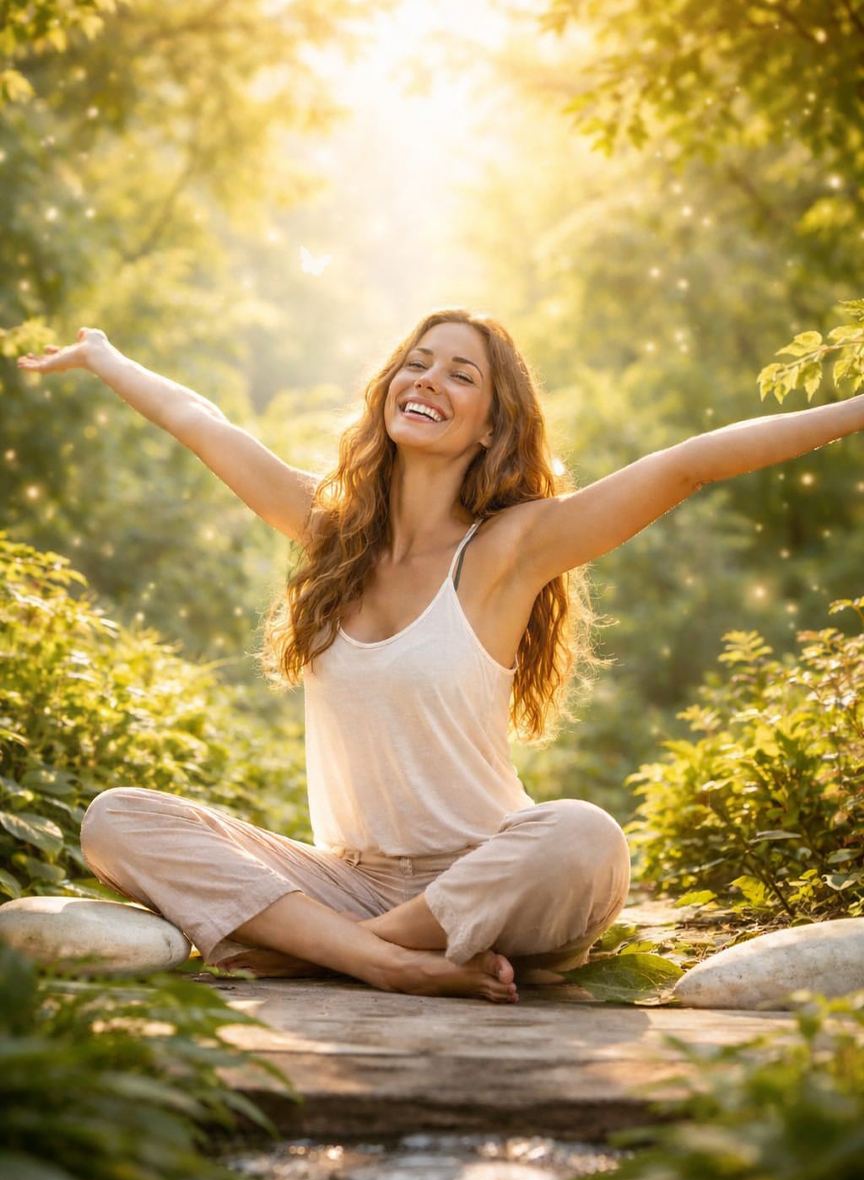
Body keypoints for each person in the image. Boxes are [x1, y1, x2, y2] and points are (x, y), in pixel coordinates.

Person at [18, 311, 864, 1004]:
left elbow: (688, 466)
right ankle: (383, 960)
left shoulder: (509, 550)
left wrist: (857, 408)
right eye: (416, 363)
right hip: (347, 881)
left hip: (492, 878)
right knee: (116, 818)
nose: (428, 380)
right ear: (388, 389)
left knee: (585, 836)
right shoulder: (329, 534)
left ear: (494, 423)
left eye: (462, 374)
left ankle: (335, 954)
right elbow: (201, 423)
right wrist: (104, 356)